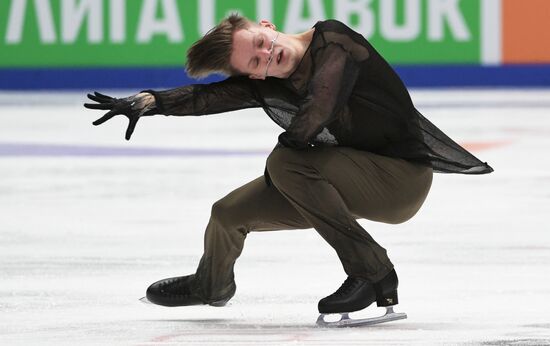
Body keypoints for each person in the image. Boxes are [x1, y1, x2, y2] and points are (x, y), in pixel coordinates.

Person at [84, 14, 493, 318]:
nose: (268, 55)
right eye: (256, 63)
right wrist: (152, 101)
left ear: (267, 24)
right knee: (228, 213)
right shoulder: (268, 79)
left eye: (262, 42)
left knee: (286, 162)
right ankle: (212, 283)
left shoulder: (334, 41)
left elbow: (318, 108)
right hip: (347, 175)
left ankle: (373, 272)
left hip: (400, 180)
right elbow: (207, 97)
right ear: (254, 76)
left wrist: (280, 174)